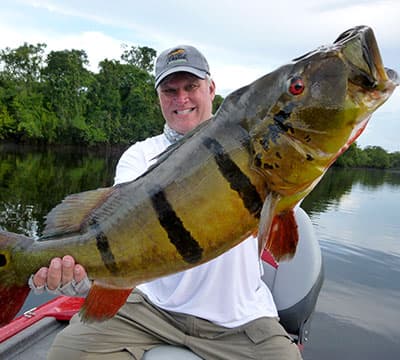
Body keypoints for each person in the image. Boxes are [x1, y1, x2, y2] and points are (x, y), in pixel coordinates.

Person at [30, 45, 302, 360]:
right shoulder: (140, 156)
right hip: (149, 309)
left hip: (239, 317)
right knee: (66, 354)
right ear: (159, 97)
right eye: (170, 90)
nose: (181, 98)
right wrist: (72, 273)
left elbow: (283, 230)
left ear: (211, 88)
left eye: (191, 87)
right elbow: (113, 232)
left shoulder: (257, 149)